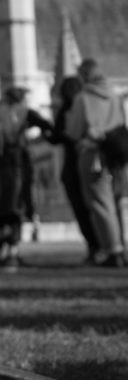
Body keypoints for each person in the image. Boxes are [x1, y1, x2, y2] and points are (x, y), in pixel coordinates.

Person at [0, 86, 52, 269]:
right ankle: (13, 252)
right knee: (15, 208)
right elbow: (47, 126)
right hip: (17, 165)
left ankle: (0, 252)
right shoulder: (24, 112)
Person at [65, 59, 127, 267]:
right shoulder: (115, 96)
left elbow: (73, 131)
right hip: (116, 155)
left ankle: (112, 249)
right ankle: (119, 246)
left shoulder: (83, 99)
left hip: (93, 155)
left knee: (100, 203)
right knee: (116, 201)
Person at [48, 76, 99, 264]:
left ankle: (95, 246)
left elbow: (59, 136)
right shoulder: (88, 106)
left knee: (83, 208)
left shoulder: (70, 109)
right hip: (87, 164)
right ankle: (101, 245)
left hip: (75, 165)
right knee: (94, 207)